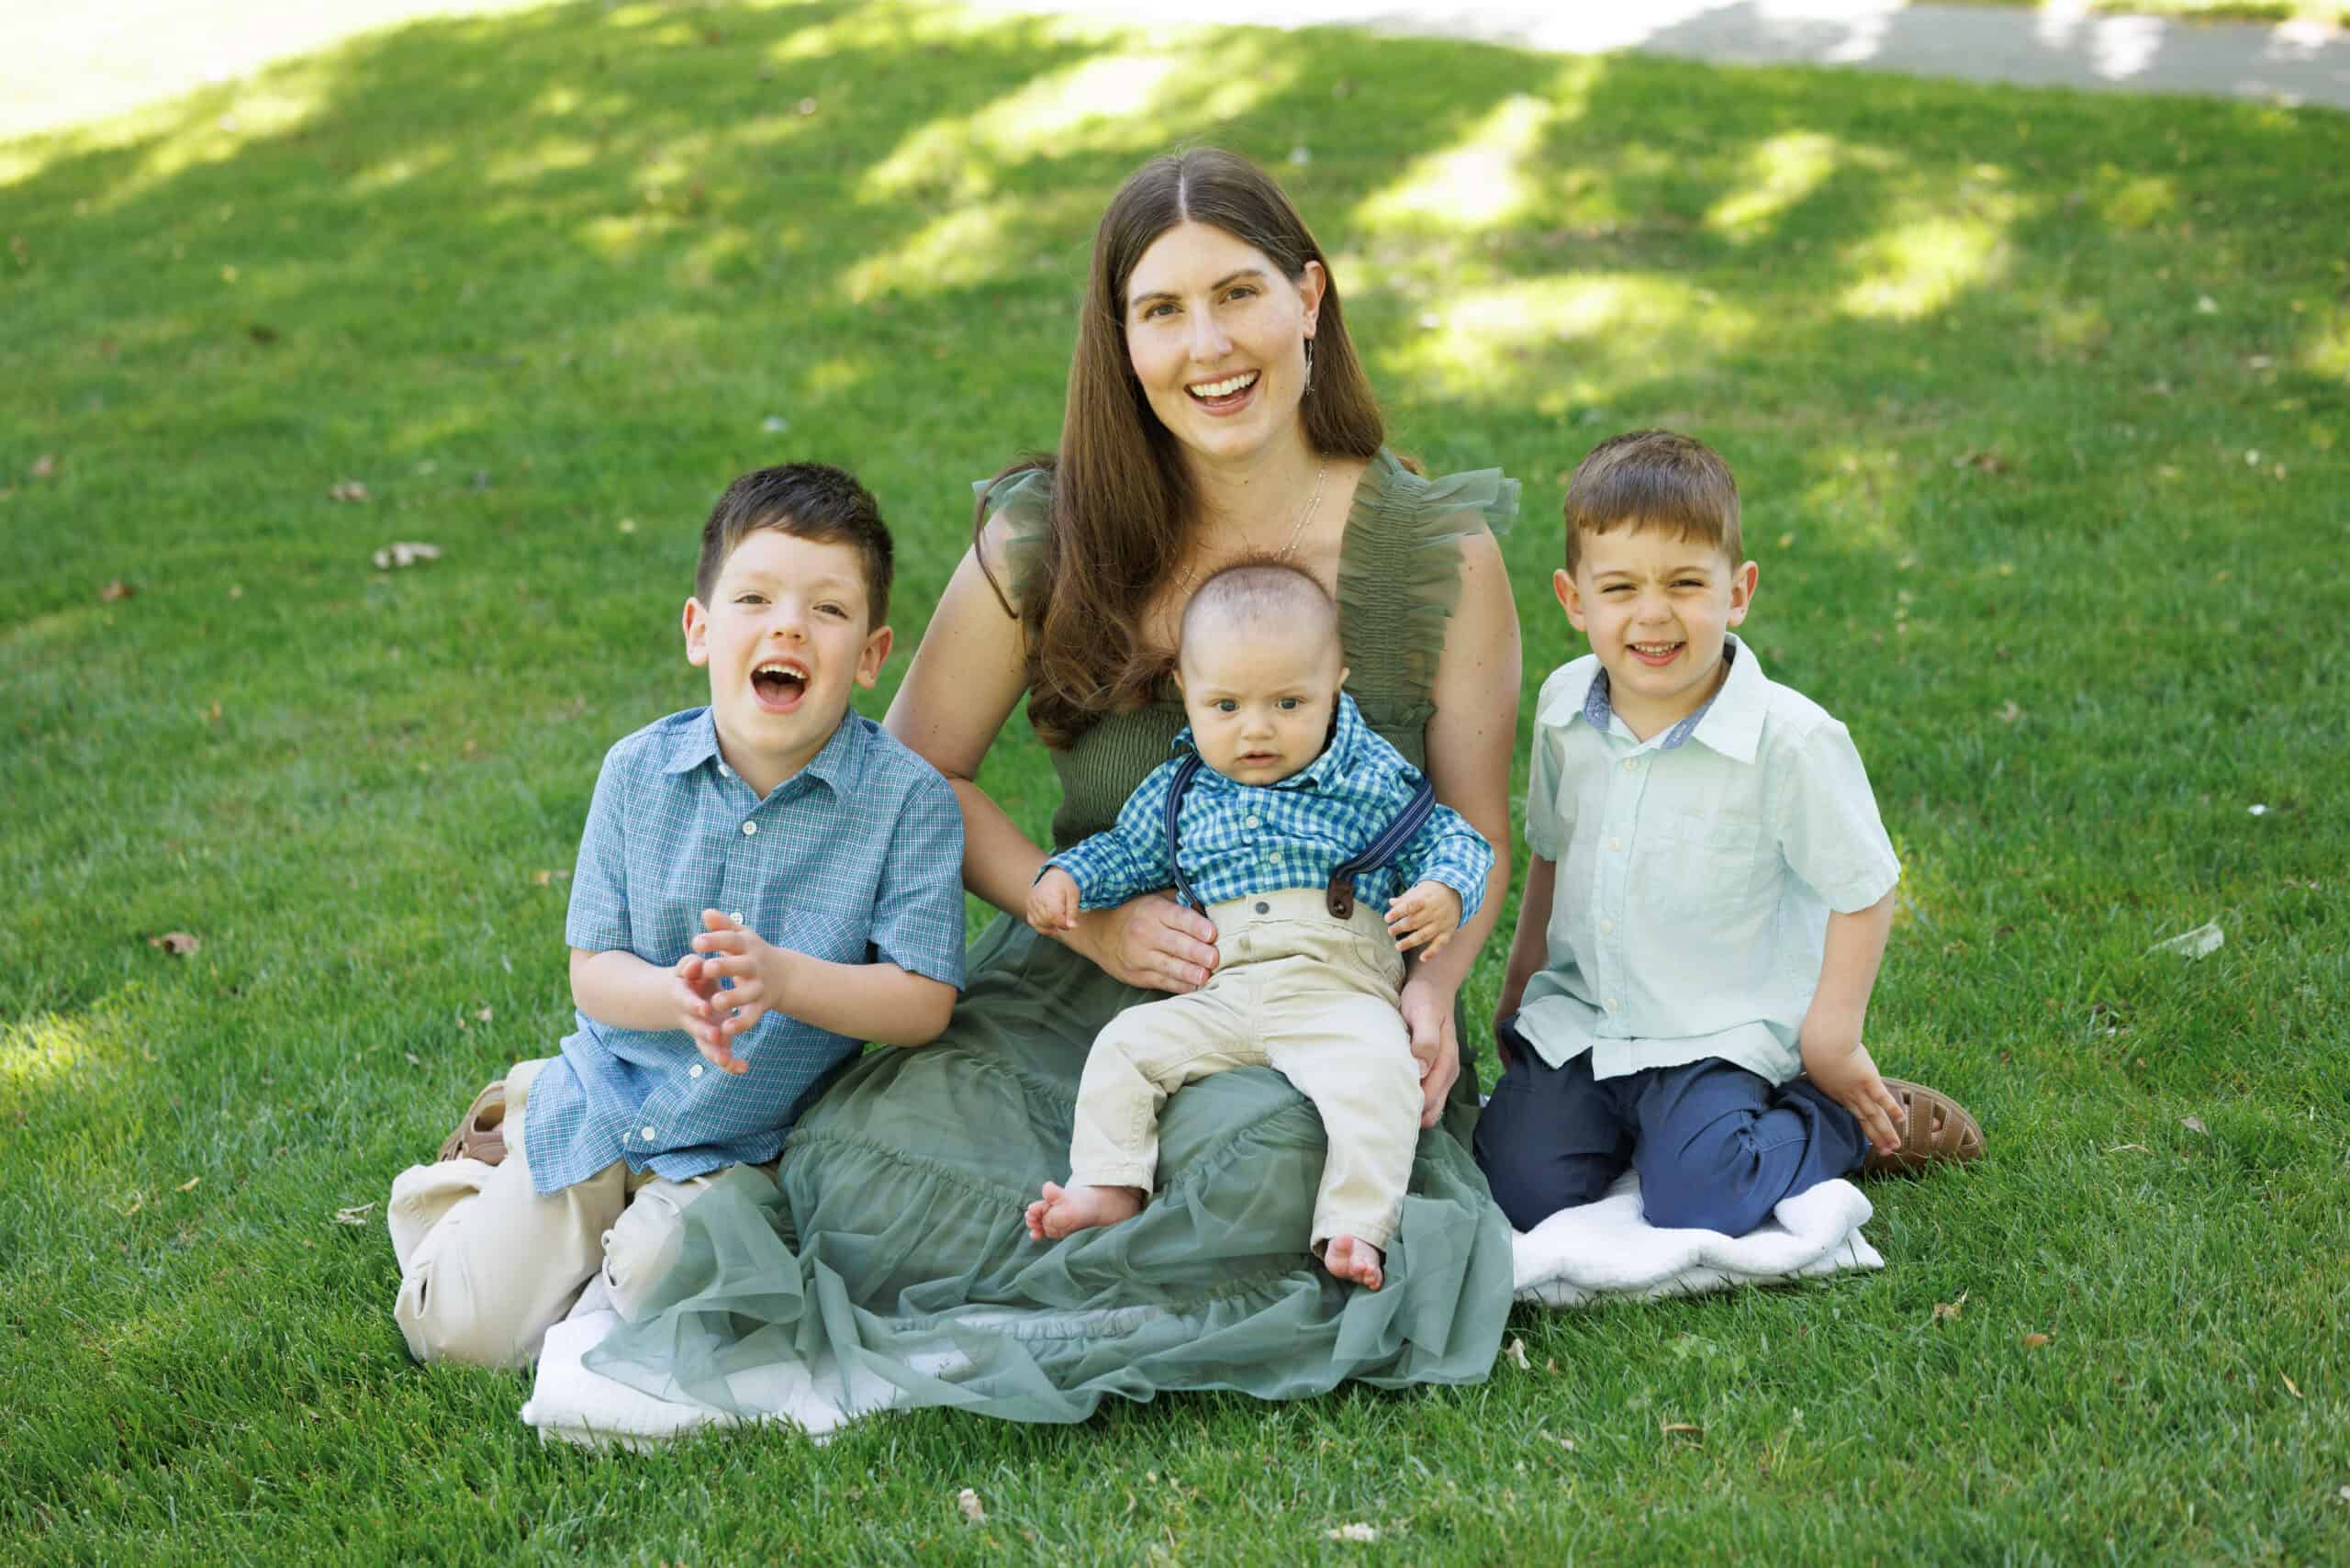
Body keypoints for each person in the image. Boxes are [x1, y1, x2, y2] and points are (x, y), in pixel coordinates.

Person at [584, 148, 1522, 1423]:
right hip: (1089, 982)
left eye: (1239, 294)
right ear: (1121, 340)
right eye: (1162, 311)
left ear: (1311, 297)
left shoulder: (1436, 557)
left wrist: (1437, 987)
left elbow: (1472, 829)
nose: (1209, 346)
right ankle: (1109, 1269)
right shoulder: (1054, 536)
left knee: (1271, 1164)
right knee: (859, 1166)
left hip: (1332, 993)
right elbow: (910, 776)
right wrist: (1083, 912)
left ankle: (1101, 1274)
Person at [386, 464, 967, 1367]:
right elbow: (593, 970)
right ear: (700, 630)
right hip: (609, 1096)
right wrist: (672, 995)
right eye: (755, 598)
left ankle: (602, 1234)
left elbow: (923, 1001)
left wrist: (785, 981)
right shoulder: (635, 773)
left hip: (749, 1141)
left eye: (826, 609)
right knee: (454, 1334)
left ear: (870, 655)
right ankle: (494, 1156)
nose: (787, 625)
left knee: (663, 1297)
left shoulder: (908, 804)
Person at [1473, 431, 1983, 1239]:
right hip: (1588, 1018)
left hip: (1713, 1031)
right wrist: (1522, 980)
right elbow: (1551, 852)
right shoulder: (1566, 707)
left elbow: (1866, 887)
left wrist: (1832, 1039)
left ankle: (1837, 1122)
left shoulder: (1791, 742)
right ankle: (1636, 1129)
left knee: (1701, 1199)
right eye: (1620, 588)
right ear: (1574, 601)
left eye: (1685, 583)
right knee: (1517, 1189)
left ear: (1737, 591)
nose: (1652, 613)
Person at [1021, 560, 1494, 1292]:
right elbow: (1125, 849)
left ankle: (1354, 1226)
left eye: (1288, 702)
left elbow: (1453, 838)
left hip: (1338, 986)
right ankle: (1109, 1184)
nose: (1257, 729)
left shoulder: (1366, 775)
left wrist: (1442, 889)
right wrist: (1069, 878)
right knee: (1125, 1047)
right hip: (1224, 987)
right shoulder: (1182, 790)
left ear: (1338, 677)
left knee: (1379, 1078)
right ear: (1185, 690)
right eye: (1227, 706)